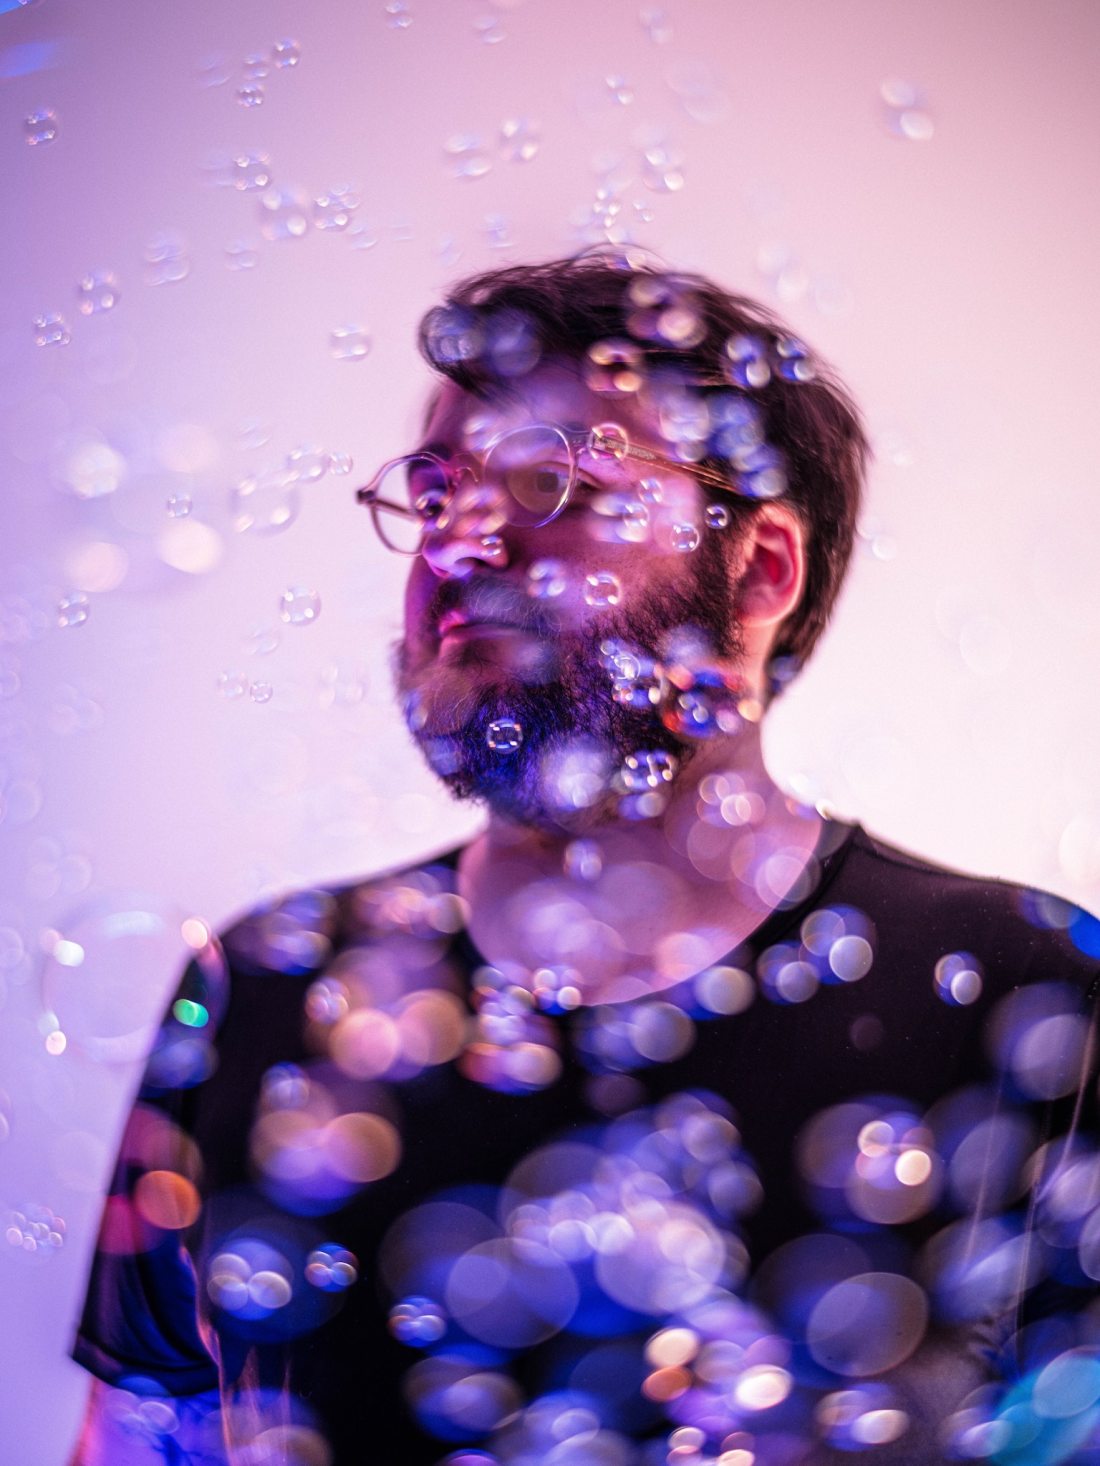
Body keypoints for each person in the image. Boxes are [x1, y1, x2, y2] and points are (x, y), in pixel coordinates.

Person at [70, 254, 1100, 1466]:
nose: (461, 542)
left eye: (552, 477)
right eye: (438, 490)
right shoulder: (263, 988)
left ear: (760, 568)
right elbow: (136, 1445)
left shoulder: (1018, 985)